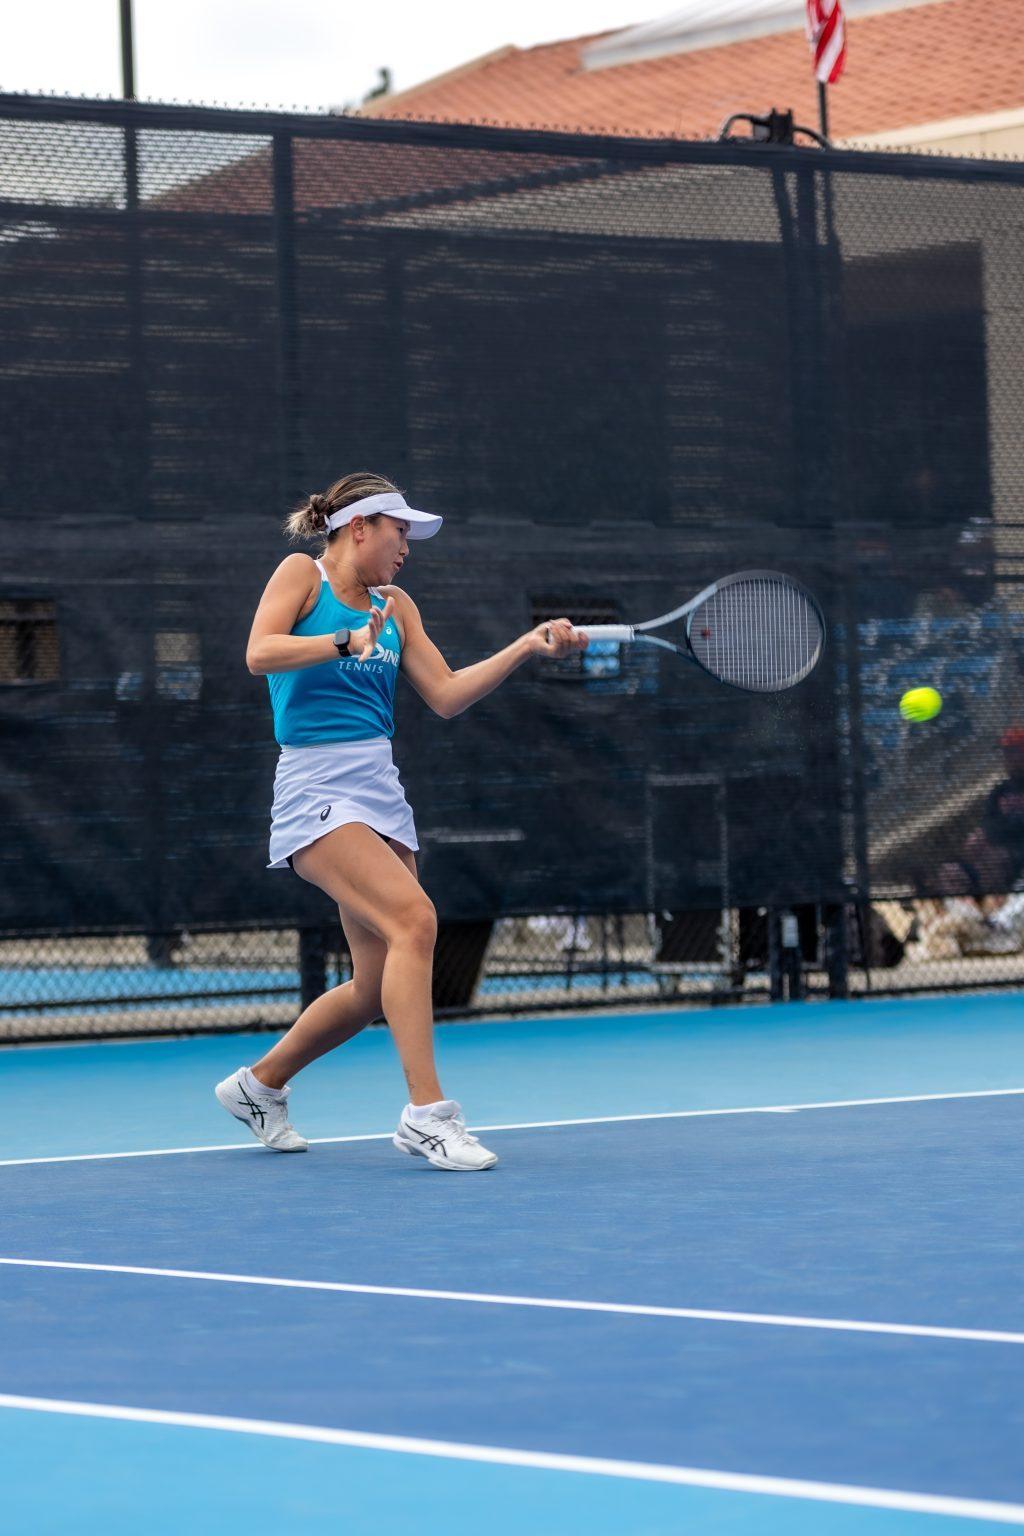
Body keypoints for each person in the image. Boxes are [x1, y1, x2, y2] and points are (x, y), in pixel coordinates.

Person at [215, 472, 586, 1171]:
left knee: (370, 987)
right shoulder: (302, 575)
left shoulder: (398, 605)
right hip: (315, 784)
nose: (407, 546)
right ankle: (428, 1116)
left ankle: (258, 1085)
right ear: (360, 528)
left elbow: (444, 695)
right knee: (416, 920)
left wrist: (525, 645)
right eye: (399, 531)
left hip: (378, 787)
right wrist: (341, 643)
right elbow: (259, 653)